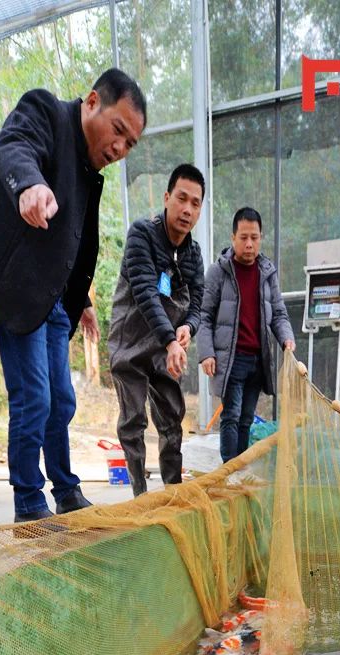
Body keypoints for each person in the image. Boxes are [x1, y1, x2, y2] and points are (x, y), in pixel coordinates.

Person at [0, 69, 146, 525]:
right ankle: (29, 503)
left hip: (57, 301)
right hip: (17, 290)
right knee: (34, 399)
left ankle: (65, 488)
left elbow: (77, 240)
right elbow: (13, 146)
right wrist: (29, 184)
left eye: (130, 144)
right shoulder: (46, 112)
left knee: (62, 401)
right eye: (118, 131)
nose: (119, 148)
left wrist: (80, 301)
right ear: (92, 102)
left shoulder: (89, 170)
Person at [108, 165, 205, 497]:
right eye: (181, 198)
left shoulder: (192, 253)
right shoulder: (142, 235)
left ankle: (172, 494)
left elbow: (198, 301)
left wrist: (188, 328)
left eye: (195, 203)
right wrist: (169, 340)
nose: (187, 209)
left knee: (171, 418)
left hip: (166, 349)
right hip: (131, 339)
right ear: (167, 198)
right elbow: (146, 293)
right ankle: (140, 496)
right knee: (133, 421)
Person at [197, 207, 296, 463]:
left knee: (246, 418)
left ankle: (239, 468)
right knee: (231, 414)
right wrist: (207, 353)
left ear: (260, 237)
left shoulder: (267, 273)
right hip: (231, 359)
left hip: (257, 360)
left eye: (254, 237)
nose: (249, 244)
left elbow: (278, 313)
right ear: (233, 238)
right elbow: (204, 315)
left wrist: (286, 337)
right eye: (243, 237)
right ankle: (229, 469)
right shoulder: (219, 272)